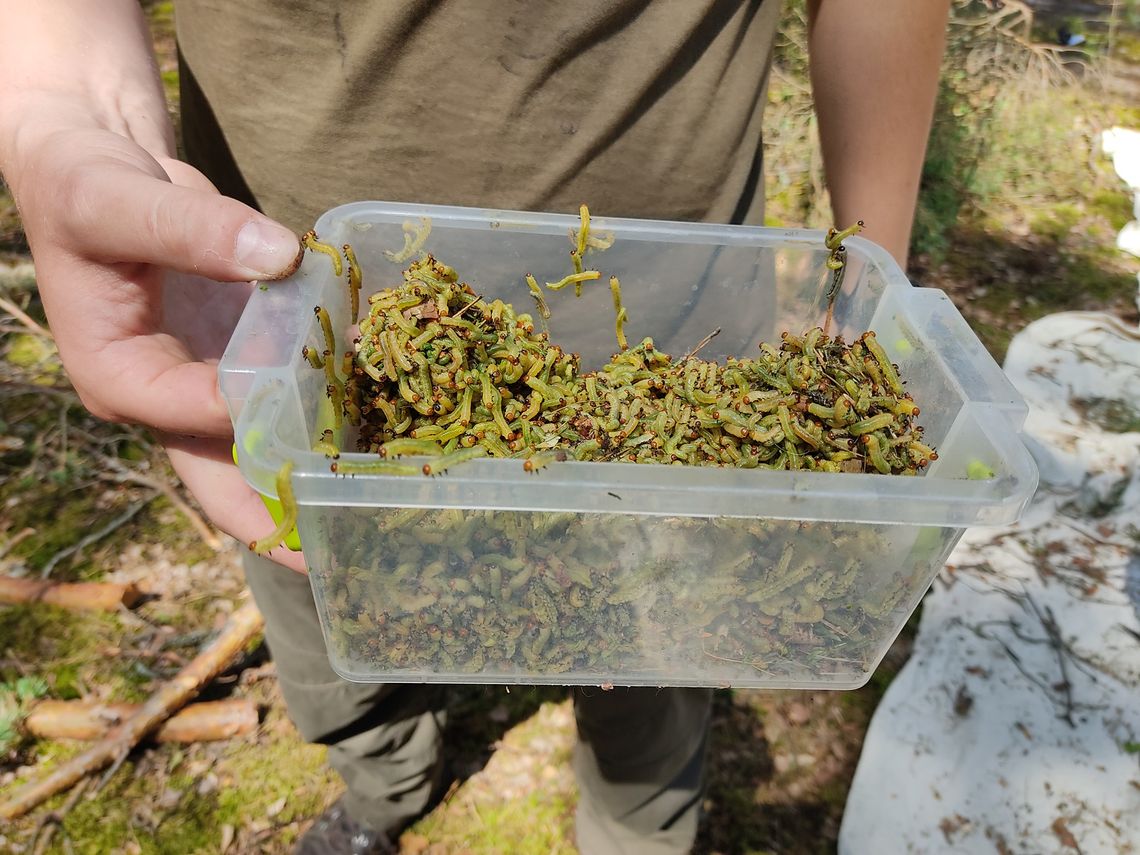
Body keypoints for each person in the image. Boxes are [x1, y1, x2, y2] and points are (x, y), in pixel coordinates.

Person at [0, 2, 950, 852]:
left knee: (659, 665)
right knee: (340, 619)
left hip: (688, 323)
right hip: (301, 338)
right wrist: (63, 107)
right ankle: (388, 788)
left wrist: (871, 282)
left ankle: (638, 831)